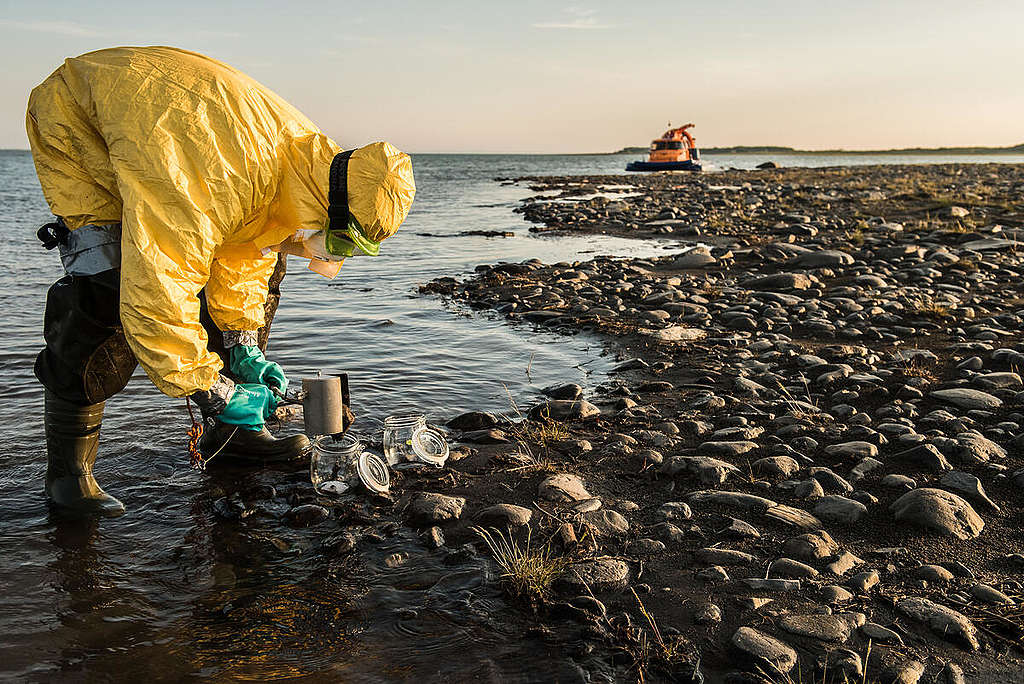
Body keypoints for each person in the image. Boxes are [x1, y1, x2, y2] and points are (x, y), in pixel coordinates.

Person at [27, 46, 416, 517]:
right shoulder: (218, 175)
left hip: (185, 136)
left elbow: (247, 250)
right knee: (108, 288)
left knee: (267, 270)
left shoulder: (304, 170)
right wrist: (210, 387)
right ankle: (69, 478)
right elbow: (161, 282)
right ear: (332, 205)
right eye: (338, 241)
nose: (329, 254)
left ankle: (234, 436)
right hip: (84, 120)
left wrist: (241, 344)